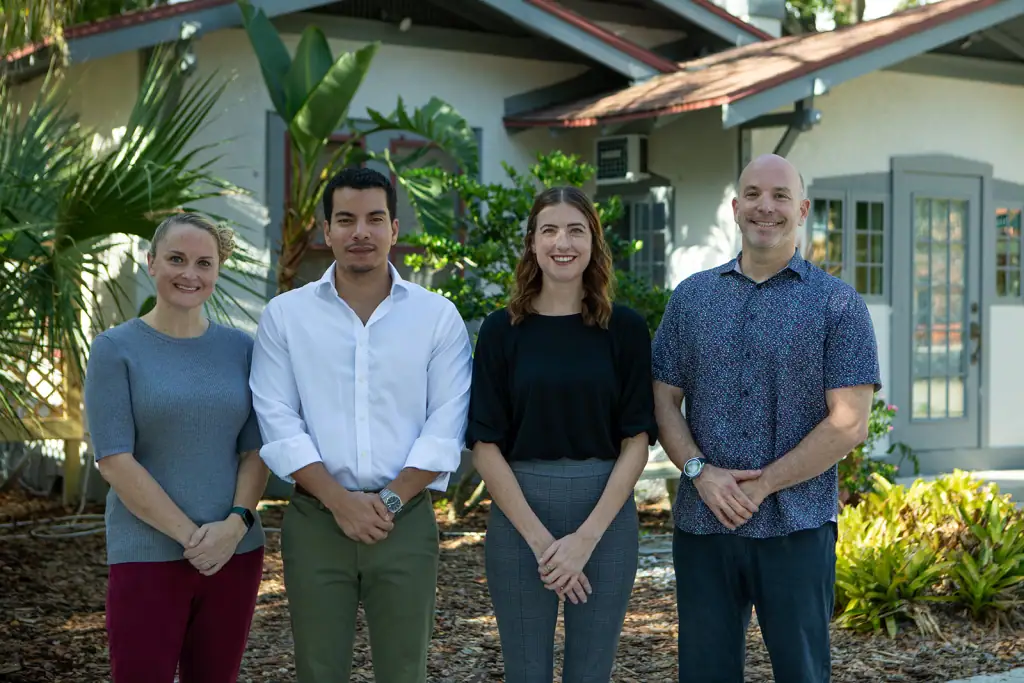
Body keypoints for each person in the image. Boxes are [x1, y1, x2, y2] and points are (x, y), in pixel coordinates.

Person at [651, 153, 880, 683]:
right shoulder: (691, 299)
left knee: (802, 673)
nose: (765, 207)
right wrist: (699, 474)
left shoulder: (838, 306)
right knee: (705, 673)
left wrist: (763, 486)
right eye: (753, 194)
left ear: (801, 209)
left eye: (780, 196)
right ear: (735, 208)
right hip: (703, 525)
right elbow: (663, 401)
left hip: (797, 526)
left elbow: (849, 422)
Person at [248, 166, 472, 683]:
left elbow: (446, 422)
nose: (360, 233)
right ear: (326, 232)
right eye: (345, 220)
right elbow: (277, 420)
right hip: (316, 520)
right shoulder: (285, 316)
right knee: (318, 669)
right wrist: (340, 501)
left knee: (404, 670)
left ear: (395, 228)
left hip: (406, 518)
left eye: (375, 219)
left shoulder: (437, 317)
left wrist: (388, 501)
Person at [467, 185, 658, 683]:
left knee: (590, 674)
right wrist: (541, 542)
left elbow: (637, 441)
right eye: (549, 230)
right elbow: (484, 445)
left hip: (606, 517)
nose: (562, 242)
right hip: (519, 516)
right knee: (525, 673)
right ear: (532, 242)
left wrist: (584, 541)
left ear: (593, 242)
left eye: (576, 230)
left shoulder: (627, 330)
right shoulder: (500, 331)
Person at [83, 213, 270, 683]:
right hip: (147, 553)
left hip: (235, 553)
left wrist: (233, 527)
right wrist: (192, 537)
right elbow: (113, 459)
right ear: (151, 263)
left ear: (217, 271)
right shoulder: (115, 349)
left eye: (204, 263)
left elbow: (255, 451)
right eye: (176, 259)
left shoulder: (241, 349)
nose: (190, 273)